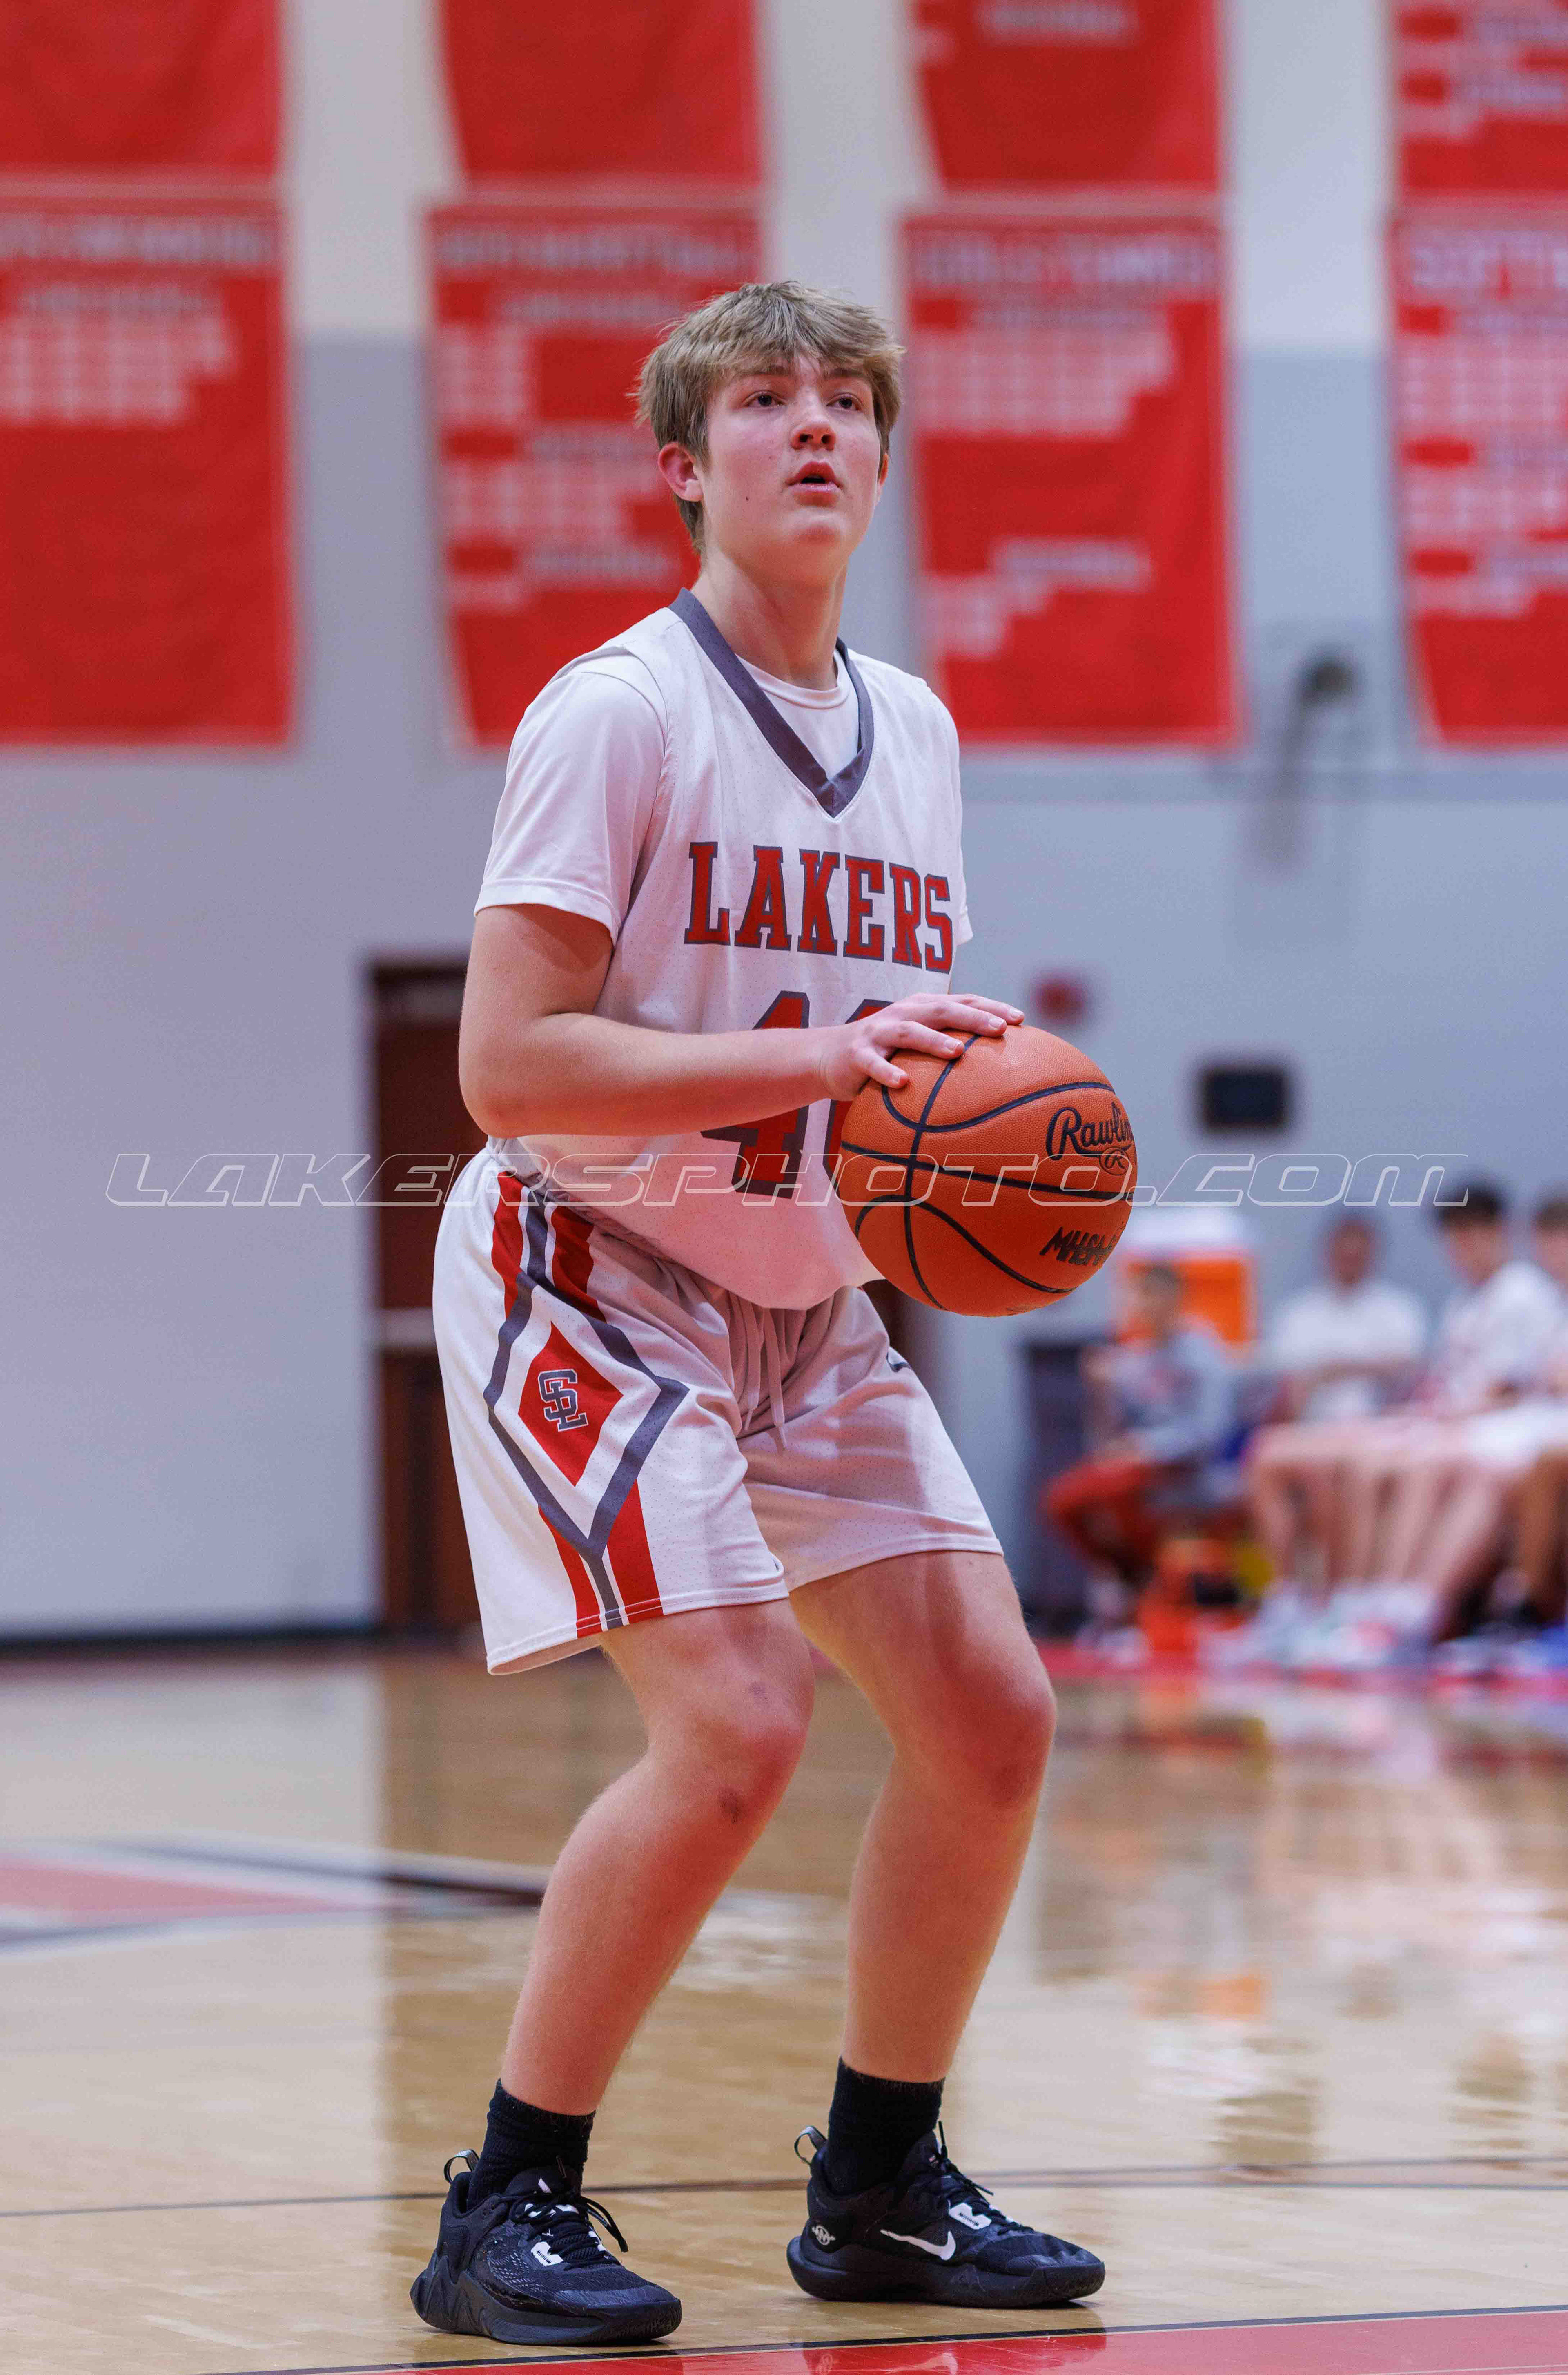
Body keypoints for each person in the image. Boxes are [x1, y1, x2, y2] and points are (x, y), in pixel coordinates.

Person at [410, 282, 1105, 2349]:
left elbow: (889, 1061)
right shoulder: (619, 711)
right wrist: (814, 1063)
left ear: (879, 458)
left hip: (809, 1299)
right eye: (764, 400)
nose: (813, 426)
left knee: (990, 1719)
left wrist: (973, 1118)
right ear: (682, 468)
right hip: (594, 1267)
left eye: (846, 402)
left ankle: (881, 2187)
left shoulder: (921, 729)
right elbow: (507, 1065)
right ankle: (507, 2197)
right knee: (734, 1720)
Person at [1246, 1215, 1426, 1589]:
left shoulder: (1397, 1309)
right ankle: (1287, 1591)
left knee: (1329, 1470)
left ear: (1373, 1254)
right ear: (1327, 1253)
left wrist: (1335, 1369)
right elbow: (1284, 1390)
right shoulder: (1299, 1314)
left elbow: (1410, 1374)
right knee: (1263, 1457)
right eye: (1343, 1252)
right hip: (1313, 1429)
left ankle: (1338, 1589)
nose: (1350, 1260)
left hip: (1380, 1430)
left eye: (1358, 1253)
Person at [1045, 1263, 1240, 1592]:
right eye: (1141, 1295)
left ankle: (1148, 1582)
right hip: (1135, 1467)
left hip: (1188, 1468)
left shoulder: (1203, 1351)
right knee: (1063, 1501)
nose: (1146, 1304)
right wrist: (1100, 1391)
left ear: (1176, 1298)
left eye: (1154, 1294)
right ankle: (1134, 1579)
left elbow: (1210, 1432)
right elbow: (1108, 1436)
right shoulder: (1132, 1359)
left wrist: (1146, 1448)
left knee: (1115, 1490)